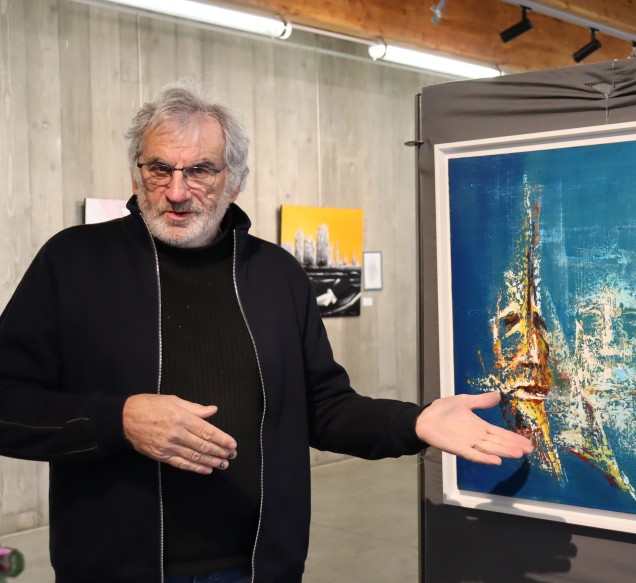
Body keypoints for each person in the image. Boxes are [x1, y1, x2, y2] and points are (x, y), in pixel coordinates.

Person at [0, 81, 531, 583]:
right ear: (137, 176)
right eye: (159, 169)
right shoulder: (73, 262)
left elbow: (323, 408)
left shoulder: (276, 273)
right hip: (114, 568)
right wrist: (119, 419)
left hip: (256, 566)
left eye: (200, 170)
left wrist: (414, 422)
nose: (177, 191)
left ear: (234, 180)